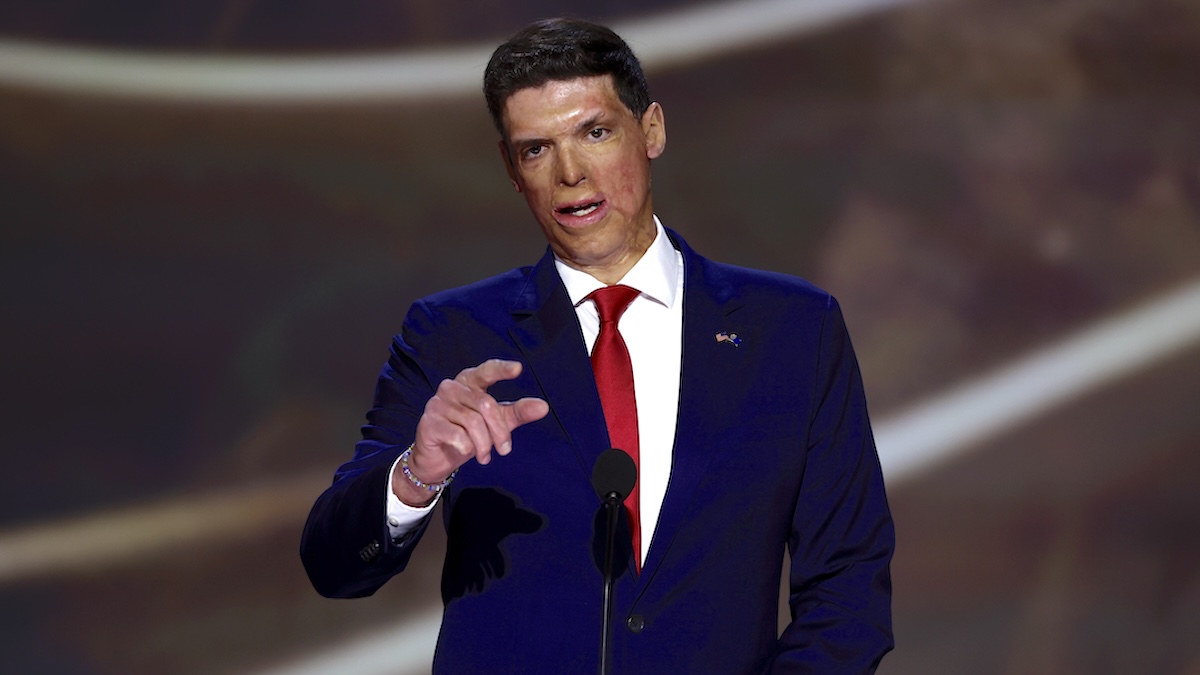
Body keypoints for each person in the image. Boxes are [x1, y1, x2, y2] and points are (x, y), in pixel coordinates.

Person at [301, 17, 893, 674]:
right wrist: (416, 471)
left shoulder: (792, 330)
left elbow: (849, 588)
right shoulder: (451, 333)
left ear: (653, 130)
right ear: (510, 168)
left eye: (596, 132)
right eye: (536, 150)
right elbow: (334, 564)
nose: (570, 173)